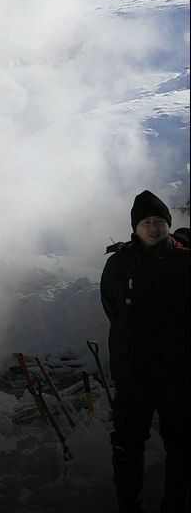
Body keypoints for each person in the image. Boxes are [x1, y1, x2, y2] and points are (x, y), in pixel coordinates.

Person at [101, 190, 189, 513]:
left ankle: (176, 503)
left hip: (176, 372)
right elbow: (112, 308)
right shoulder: (118, 265)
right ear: (135, 228)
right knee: (127, 443)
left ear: (168, 225)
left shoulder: (184, 263)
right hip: (134, 373)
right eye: (146, 222)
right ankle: (130, 503)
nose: (154, 227)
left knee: (181, 442)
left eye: (160, 222)